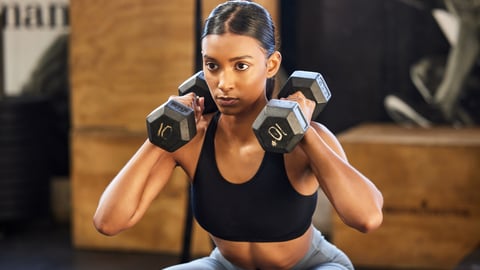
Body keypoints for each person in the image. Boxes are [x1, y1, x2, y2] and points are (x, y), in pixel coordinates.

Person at [93, 1, 384, 269]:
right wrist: (159, 138)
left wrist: (303, 131)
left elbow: (367, 218)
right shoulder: (191, 139)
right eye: (212, 66)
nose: (223, 83)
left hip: (310, 265)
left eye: (240, 66)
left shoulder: (309, 139)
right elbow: (108, 222)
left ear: (271, 65)